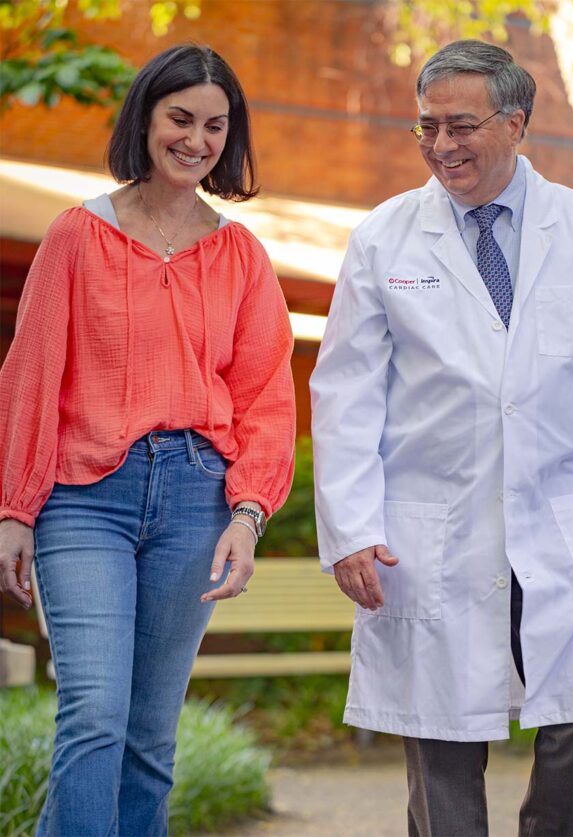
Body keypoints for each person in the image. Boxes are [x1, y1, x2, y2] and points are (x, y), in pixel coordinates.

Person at [310, 39, 573, 836]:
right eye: (427, 128)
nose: (441, 146)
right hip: (432, 526)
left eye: (461, 125)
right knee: (440, 743)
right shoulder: (383, 239)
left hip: (564, 520)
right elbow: (345, 394)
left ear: (516, 122)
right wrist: (351, 527)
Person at [0, 44, 295, 836]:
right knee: (95, 710)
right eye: (180, 118)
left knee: (149, 733)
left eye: (213, 125)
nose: (195, 140)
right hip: (85, 497)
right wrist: (15, 509)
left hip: (196, 499)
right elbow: (31, 372)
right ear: (146, 118)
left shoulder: (241, 255)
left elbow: (266, 396)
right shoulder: (76, 235)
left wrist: (247, 513)